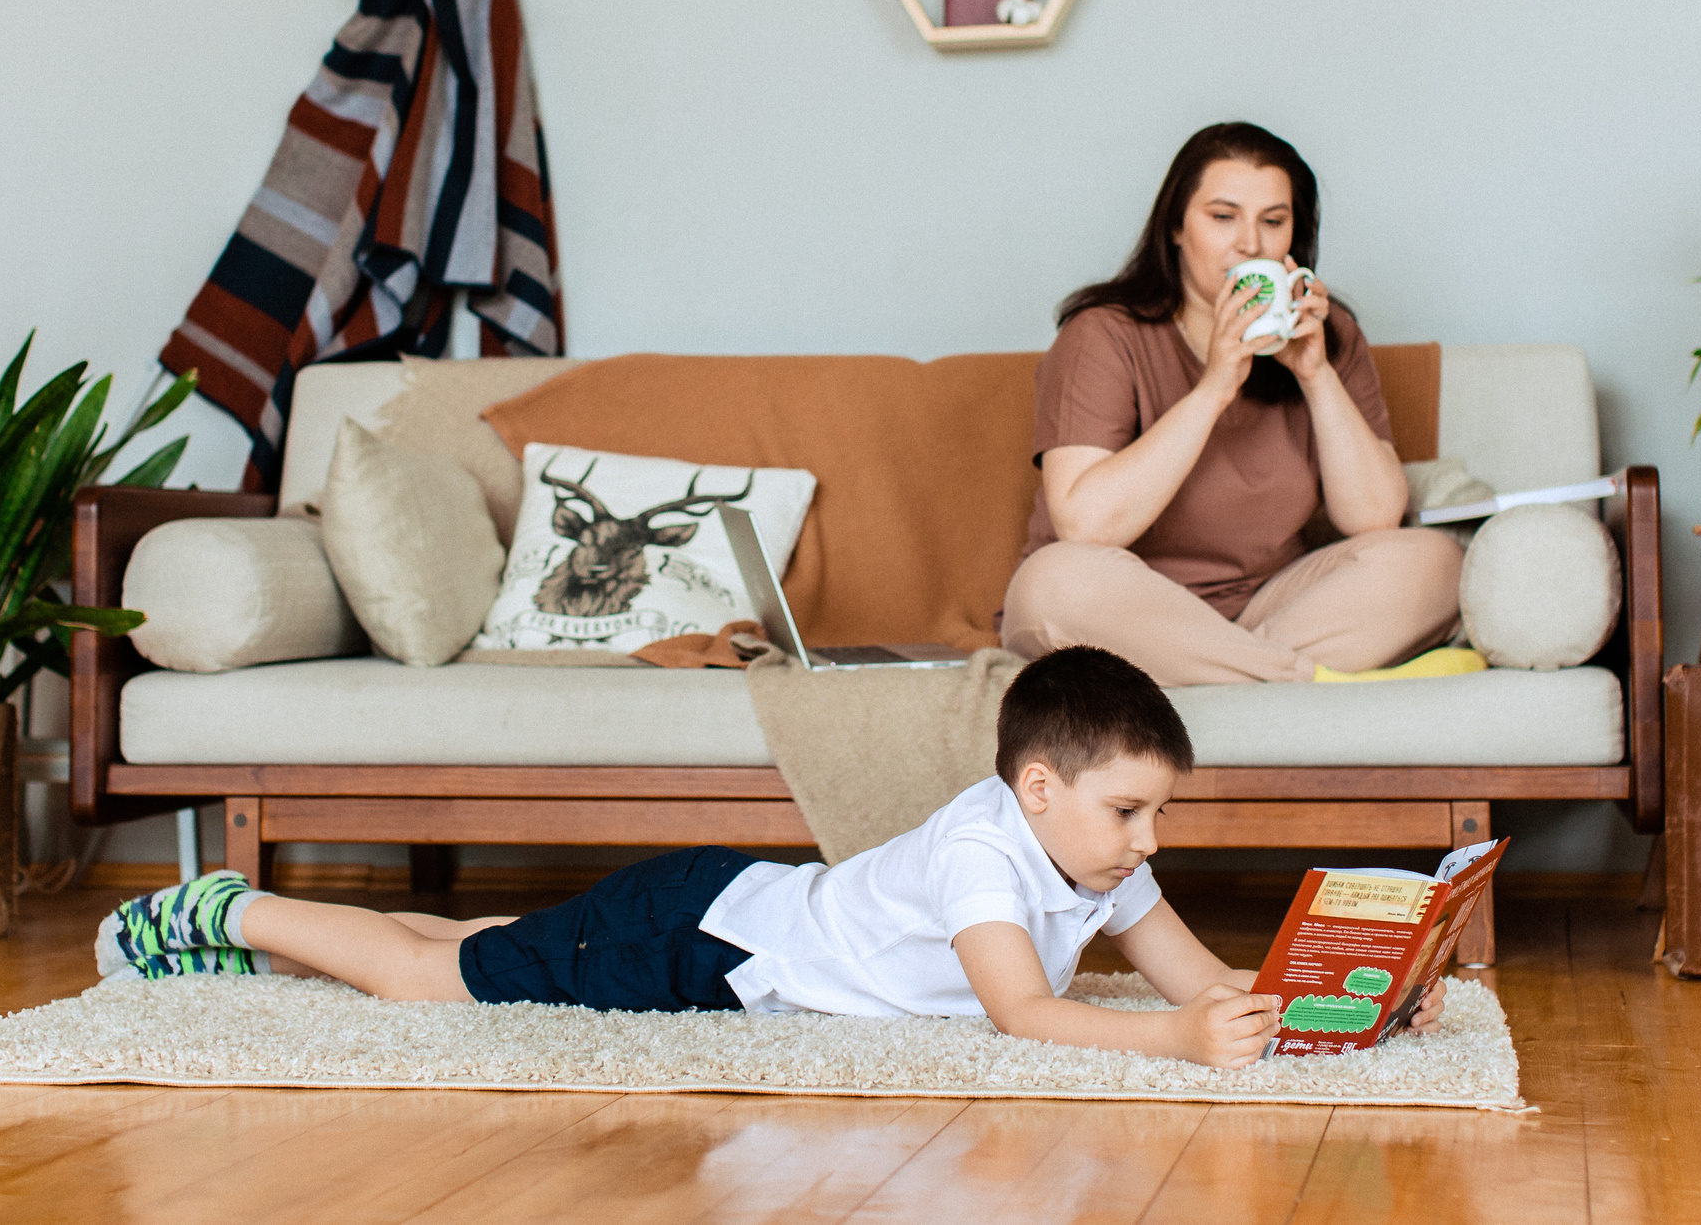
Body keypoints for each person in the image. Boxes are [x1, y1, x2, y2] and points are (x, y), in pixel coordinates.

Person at [93, 647, 1445, 1064]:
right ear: (1038, 786)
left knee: (490, 948)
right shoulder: (988, 847)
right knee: (435, 983)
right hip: (709, 945)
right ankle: (244, 906)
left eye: (1159, 812)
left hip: (726, 897)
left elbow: (1200, 976)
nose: (1153, 840)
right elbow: (1024, 1011)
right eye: (1132, 810)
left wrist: (1355, 993)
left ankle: (270, 913)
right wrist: (1177, 1045)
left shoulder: (1093, 855)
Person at [1002, 123, 1467, 686]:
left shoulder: (1327, 332)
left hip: (1268, 610)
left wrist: (1315, 374)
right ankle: (1305, 682)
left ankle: (1225, 674)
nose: (1250, 244)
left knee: (1438, 563)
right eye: (1223, 217)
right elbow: (1085, 523)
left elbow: (1373, 518)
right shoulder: (1102, 334)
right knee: (1053, 583)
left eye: (1273, 221)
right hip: (1124, 608)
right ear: (1175, 226)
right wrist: (1215, 387)